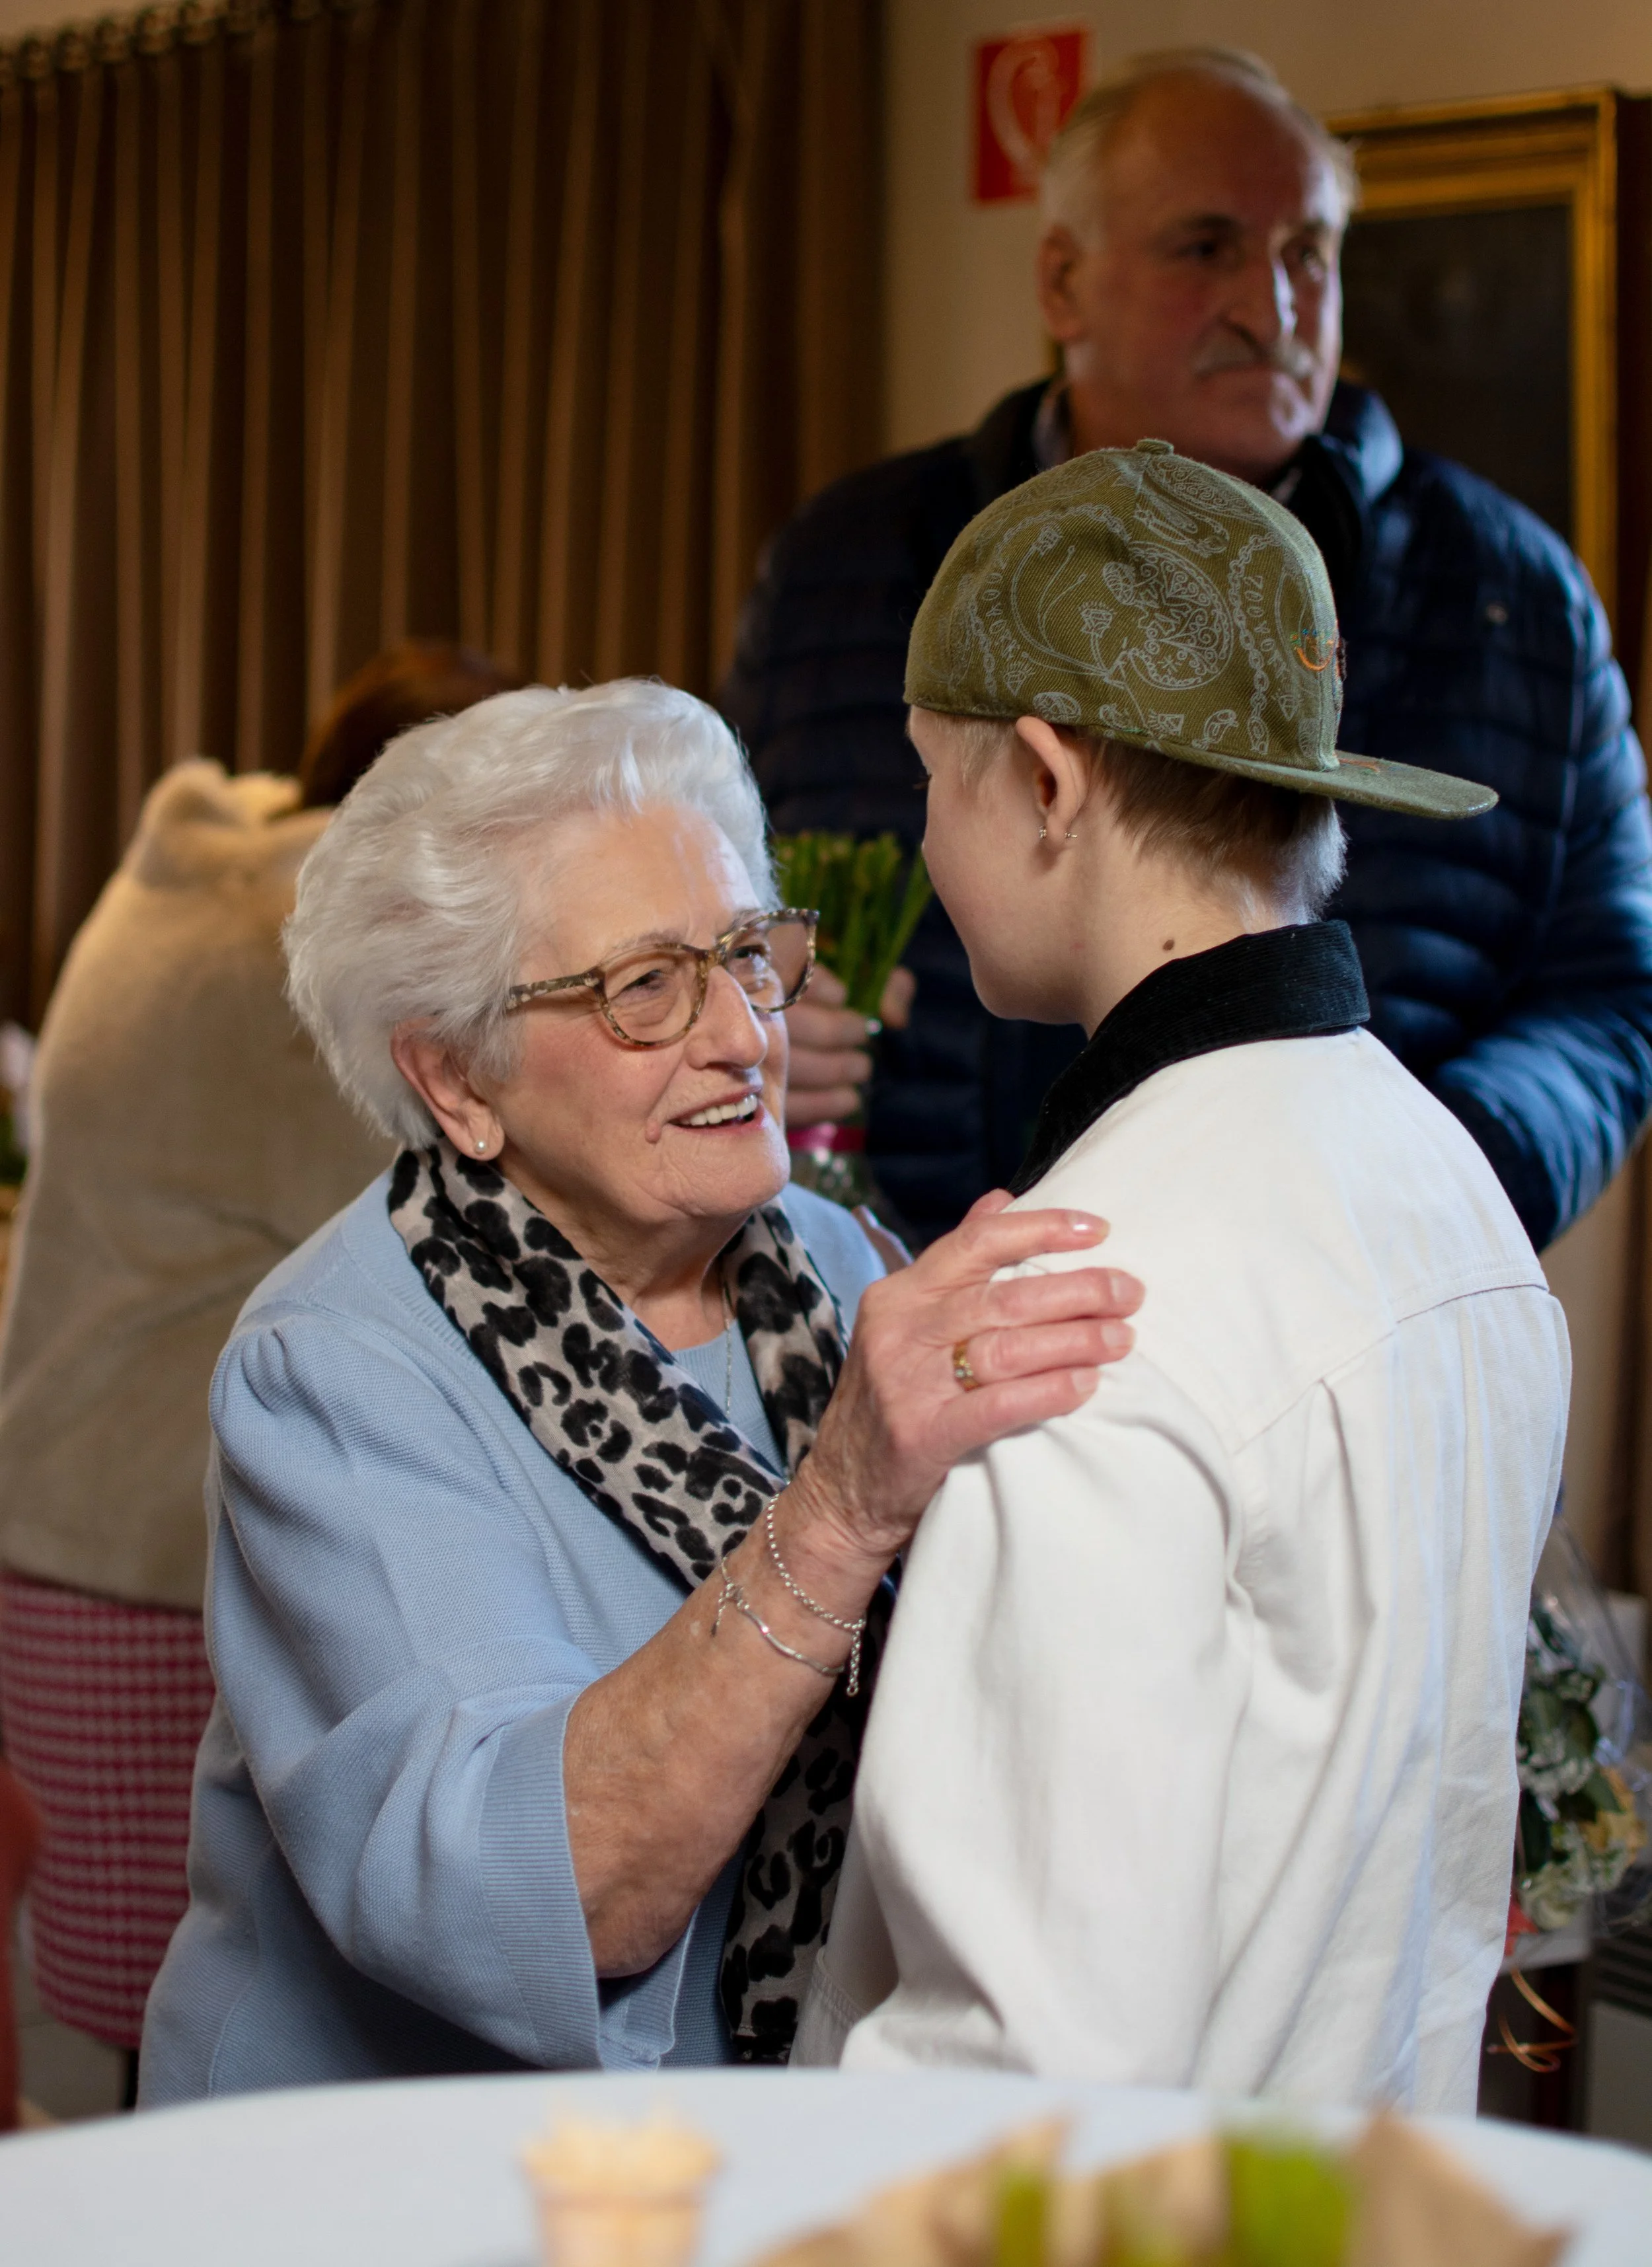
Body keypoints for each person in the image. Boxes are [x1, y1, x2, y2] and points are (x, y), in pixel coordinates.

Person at [138, 680, 1141, 2099]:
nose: (741, 1032)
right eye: (644, 987)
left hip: (734, 2139)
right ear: (454, 1076)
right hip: (389, 2178)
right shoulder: (335, 1371)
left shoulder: (836, 1259)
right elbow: (544, 1884)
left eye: (743, 952)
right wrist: (842, 1506)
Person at [794, 443, 1570, 2110]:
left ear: (1048, 783)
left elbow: (1016, 2059)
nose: (921, 846)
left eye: (932, 783)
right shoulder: (1451, 1192)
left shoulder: (1073, 1299)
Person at [727, 46, 1652, 1249]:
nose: (1271, 308)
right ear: (1064, 285)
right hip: (894, 1285)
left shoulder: (1515, 594)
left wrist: (1424, 1173)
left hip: (1323, 1290)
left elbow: (1614, 984)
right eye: (1207, 246)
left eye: (1307, 253)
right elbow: (730, 899)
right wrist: (756, 1018)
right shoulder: (839, 567)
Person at [0, 639, 515, 2079]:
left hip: (74, 1529)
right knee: (226, 2036)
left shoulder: (194, 879)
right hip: (159, 1550)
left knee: (165, 2044)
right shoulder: (300, 946)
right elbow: (448, 1219)